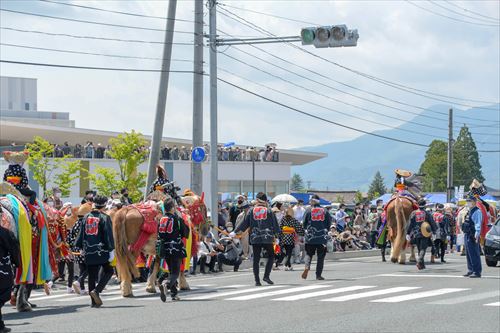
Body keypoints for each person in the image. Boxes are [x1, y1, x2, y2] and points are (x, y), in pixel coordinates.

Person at [232, 192, 280, 286]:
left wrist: (235, 232)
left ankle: (257, 280)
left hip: (255, 237)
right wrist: (277, 237)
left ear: (257, 200)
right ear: (265, 201)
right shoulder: (269, 211)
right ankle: (266, 276)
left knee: (256, 259)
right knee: (271, 256)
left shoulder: (251, 210)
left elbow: (244, 223)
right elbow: (275, 225)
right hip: (267, 237)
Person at [75, 195, 115, 307]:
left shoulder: (86, 216)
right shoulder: (105, 217)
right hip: (101, 250)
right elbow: (108, 235)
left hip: (88, 249)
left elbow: (81, 233)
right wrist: (111, 250)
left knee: (92, 275)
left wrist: (81, 247)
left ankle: (93, 302)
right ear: (104, 205)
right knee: (109, 271)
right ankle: (97, 291)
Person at [156, 197, 190, 301]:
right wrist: (181, 219)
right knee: (175, 272)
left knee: (171, 270)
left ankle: (174, 294)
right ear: (171, 208)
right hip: (175, 247)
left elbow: (159, 234)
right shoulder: (176, 219)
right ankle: (167, 285)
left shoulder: (161, 219)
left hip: (164, 248)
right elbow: (186, 233)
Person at [302, 194, 332, 280]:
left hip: (310, 237)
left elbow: (304, 223)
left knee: (308, 254)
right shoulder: (325, 210)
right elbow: (328, 224)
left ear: (312, 201)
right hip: (322, 238)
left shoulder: (308, 210)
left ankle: (307, 267)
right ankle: (318, 275)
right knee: (320, 257)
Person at [0, 210, 20, 333]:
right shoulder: (5, 233)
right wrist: (17, 263)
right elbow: (14, 250)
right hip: (2, 270)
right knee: (3, 293)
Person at [406, 199, 436, 270]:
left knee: (419, 248)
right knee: (423, 249)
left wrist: (408, 233)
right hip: (424, 233)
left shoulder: (413, 213)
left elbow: (410, 224)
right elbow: (432, 222)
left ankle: (422, 265)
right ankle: (419, 261)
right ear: (425, 205)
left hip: (416, 234)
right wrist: (434, 232)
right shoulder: (427, 213)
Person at [462, 195, 483, 278]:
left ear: (474, 202)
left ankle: (477, 271)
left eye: (469, 201)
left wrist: (476, 235)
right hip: (467, 234)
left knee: (474, 253)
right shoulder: (469, 210)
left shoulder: (477, 211)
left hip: (472, 235)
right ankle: (471, 270)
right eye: (467, 201)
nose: (468, 202)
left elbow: (478, 224)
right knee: (468, 253)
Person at [279, 206, 304, 271]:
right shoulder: (293, 220)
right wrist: (302, 233)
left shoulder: (283, 219)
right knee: (289, 252)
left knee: (286, 252)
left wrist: (279, 235)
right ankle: (286, 265)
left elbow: (280, 227)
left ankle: (289, 266)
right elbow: (299, 228)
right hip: (290, 238)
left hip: (283, 238)